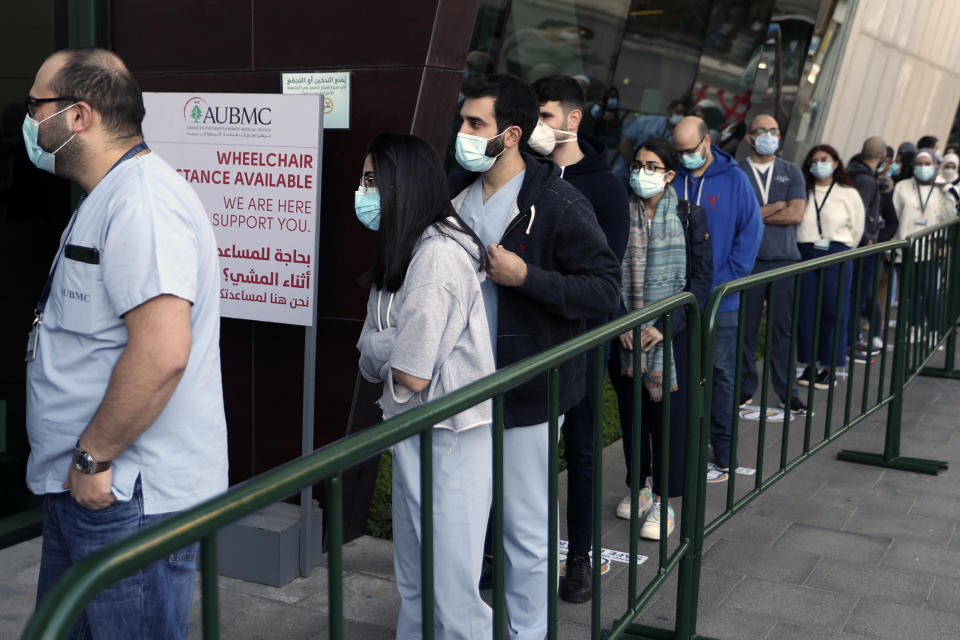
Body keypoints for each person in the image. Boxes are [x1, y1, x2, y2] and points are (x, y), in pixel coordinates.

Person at [23, 48, 227, 638]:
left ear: (78, 115)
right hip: (90, 489)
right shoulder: (113, 193)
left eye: (36, 106)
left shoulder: (143, 203)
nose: (29, 122)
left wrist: (94, 457)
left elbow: (163, 351)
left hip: (121, 494)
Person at [450, 74, 621, 639]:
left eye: (476, 124)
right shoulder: (452, 193)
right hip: (455, 389)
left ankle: (529, 632)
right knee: (459, 524)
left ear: (511, 133)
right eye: (463, 121)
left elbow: (603, 290)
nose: (464, 134)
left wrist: (528, 277)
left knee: (525, 526)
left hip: (526, 391)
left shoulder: (557, 202)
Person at [355, 133, 496, 640]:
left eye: (371, 180)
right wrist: (392, 342)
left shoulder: (438, 258)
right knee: (414, 581)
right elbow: (372, 352)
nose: (362, 191)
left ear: (401, 185)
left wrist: (383, 345)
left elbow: (408, 372)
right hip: (413, 430)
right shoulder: (403, 250)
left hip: (450, 436)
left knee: (454, 593)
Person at [531, 74, 629, 603]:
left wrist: (536, 279)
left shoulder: (605, 188)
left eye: (545, 118)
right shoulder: (524, 173)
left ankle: (580, 559)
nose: (537, 128)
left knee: (584, 452)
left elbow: (600, 279)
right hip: (526, 340)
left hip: (584, 340)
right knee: (522, 451)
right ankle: (504, 553)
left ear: (572, 120)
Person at [610, 137, 712, 540]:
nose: (641, 173)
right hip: (626, 338)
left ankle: (665, 504)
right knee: (633, 418)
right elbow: (605, 269)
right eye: (637, 165)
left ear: (670, 175)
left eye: (652, 166)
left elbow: (701, 281)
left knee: (668, 421)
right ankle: (640, 487)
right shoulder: (619, 212)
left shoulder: (690, 215)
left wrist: (664, 324)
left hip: (670, 338)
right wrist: (622, 322)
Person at [672, 116, 762, 483]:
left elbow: (750, 236)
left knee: (722, 373)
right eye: (678, 153)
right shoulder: (671, 177)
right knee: (682, 374)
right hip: (676, 299)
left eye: (690, 151)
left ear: (707, 142)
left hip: (721, 300)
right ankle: (686, 444)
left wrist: (720, 284)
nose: (684, 158)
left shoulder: (735, 180)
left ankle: (724, 448)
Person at [736, 114, 807, 414]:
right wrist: (777, 205)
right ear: (749, 138)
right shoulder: (737, 173)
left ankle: (787, 391)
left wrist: (759, 213)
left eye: (774, 131)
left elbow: (796, 215)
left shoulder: (791, 172)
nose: (769, 136)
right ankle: (743, 388)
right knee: (745, 329)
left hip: (784, 262)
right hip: (748, 262)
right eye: (762, 130)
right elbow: (740, 217)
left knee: (783, 330)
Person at [796, 145, 865, 389]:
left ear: (835, 163)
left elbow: (857, 228)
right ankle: (807, 363)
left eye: (824, 160)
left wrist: (843, 250)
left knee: (833, 309)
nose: (819, 165)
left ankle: (828, 365)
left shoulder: (848, 193)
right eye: (814, 161)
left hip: (837, 253)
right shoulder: (803, 190)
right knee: (805, 311)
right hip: (806, 252)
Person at [846, 136, 888, 361]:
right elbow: (859, 213)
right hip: (863, 247)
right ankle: (851, 341)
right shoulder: (866, 180)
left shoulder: (853, 174)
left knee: (856, 295)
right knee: (857, 296)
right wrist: (867, 239)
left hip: (859, 244)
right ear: (882, 157)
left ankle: (851, 340)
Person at [612, 98, 691, 182]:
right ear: (669, 110)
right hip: (626, 171)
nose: (681, 116)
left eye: (684, 114)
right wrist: (633, 165)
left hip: (654, 179)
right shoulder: (646, 122)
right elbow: (625, 140)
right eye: (678, 112)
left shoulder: (683, 135)